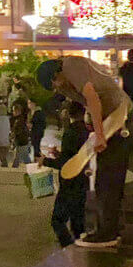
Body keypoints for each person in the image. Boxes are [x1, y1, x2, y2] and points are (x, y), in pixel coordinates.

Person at [35, 57, 131, 250]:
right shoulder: (65, 85)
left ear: (57, 72)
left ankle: (108, 232)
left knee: (107, 178)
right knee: (105, 177)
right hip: (108, 120)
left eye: (54, 81)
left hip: (117, 117)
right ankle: (109, 228)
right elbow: (89, 104)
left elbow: (92, 97)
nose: (57, 87)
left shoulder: (71, 66)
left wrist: (100, 135)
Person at [39, 101, 90, 247]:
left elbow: (67, 163)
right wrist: (59, 154)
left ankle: (68, 246)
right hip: (83, 179)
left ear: (68, 113)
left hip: (70, 181)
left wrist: (47, 161)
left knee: (58, 219)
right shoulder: (86, 131)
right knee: (77, 219)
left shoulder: (71, 132)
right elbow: (74, 156)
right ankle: (80, 246)